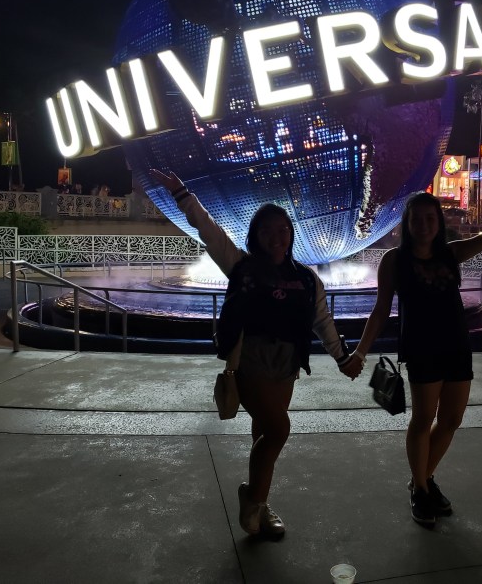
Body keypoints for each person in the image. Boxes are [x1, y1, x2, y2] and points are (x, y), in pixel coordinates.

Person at [150, 168, 363, 537]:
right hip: (250, 361)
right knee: (279, 430)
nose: (276, 237)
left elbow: (322, 321)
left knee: (264, 431)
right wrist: (182, 192)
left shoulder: (306, 277)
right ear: (256, 235)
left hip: (287, 364)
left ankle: (261, 503)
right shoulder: (241, 268)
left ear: (291, 234)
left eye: (283, 229)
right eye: (268, 231)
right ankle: (252, 498)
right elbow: (210, 231)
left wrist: (343, 357)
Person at [353, 190, 482, 526]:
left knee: (451, 420)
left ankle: (422, 479)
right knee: (423, 421)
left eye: (430, 218)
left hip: (455, 346)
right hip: (422, 349)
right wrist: (361, 350)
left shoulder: (451, 254)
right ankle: (421, 490)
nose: (423, 225)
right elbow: (380, 311)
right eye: (416, 219)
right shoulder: (394, 261)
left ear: (438, 223)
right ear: (406, 224)